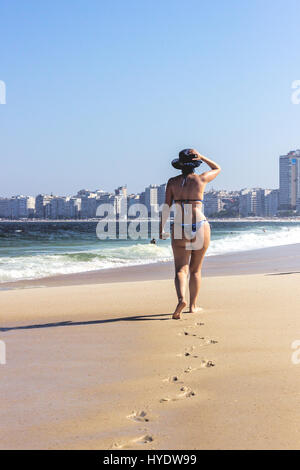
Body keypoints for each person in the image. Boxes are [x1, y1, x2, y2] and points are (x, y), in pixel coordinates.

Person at [160, 148, 221, 319]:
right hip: (199, 224)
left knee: (181, 269)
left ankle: (181, 299)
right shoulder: (201, 179)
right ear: (195, 164)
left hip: (179, 225)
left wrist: (161, 229)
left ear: (179, 166)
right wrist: (201, 156)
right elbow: (217, 168)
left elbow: (166, 206)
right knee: (195, 270)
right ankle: (193, 306)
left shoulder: (172, 182)